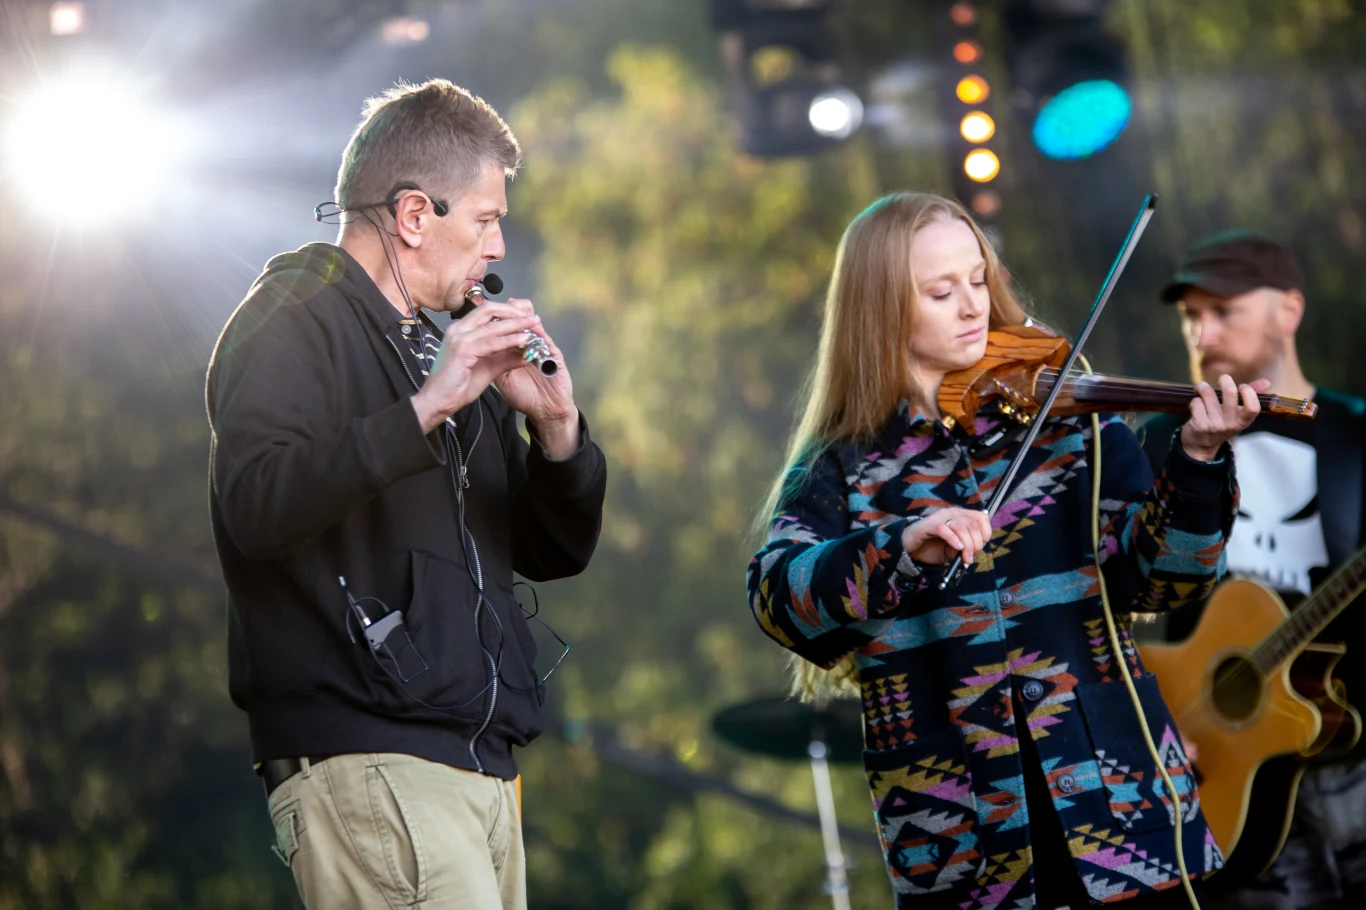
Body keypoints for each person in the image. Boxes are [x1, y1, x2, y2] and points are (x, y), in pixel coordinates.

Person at [747, 193, 1264, 909]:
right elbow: (779, 598)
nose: (972, 306)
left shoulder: (1067, 420)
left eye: (978, 279)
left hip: (1123, 820)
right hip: (960, 845)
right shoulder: (842, 466)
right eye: (940, 290)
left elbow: (1166, 583)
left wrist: (1199, 463)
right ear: (881, 309)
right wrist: (898, 549)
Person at [206, 79, 606, 910]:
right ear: (415, 215)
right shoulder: (293, 314)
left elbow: (548, 553)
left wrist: (559, 433)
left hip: (479, 766)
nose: (498, 245)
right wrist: (429, 407)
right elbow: (258, 504)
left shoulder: (442, 347)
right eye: (487, 219)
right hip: (370, 760)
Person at [1140, 230, 1366, 909]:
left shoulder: (1355, 436)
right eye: (1189, 317)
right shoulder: (1159, 441)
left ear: (1288, 311)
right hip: (1214, 764)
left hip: (1346, 743)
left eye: (1224, 310)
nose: (1201, 332)